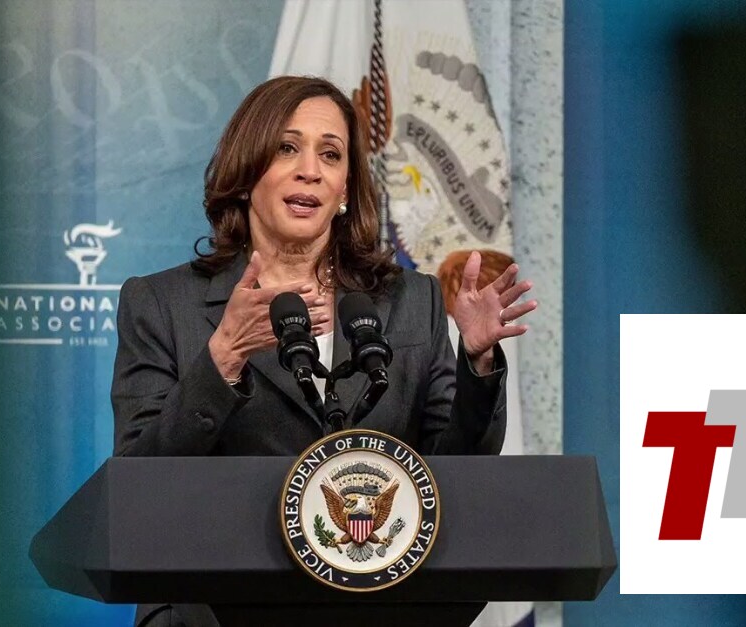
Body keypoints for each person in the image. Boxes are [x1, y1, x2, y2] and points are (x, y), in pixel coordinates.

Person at [111, 76, 536, 626]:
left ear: (344, 189)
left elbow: (453, 475)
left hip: (382, 610)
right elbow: (137, 488)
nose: (309, 169)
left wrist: (476, 362)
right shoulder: (162, 303)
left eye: (330, 154)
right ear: (246, 172)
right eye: (287, 148)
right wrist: (223, 359)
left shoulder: (413, 301)